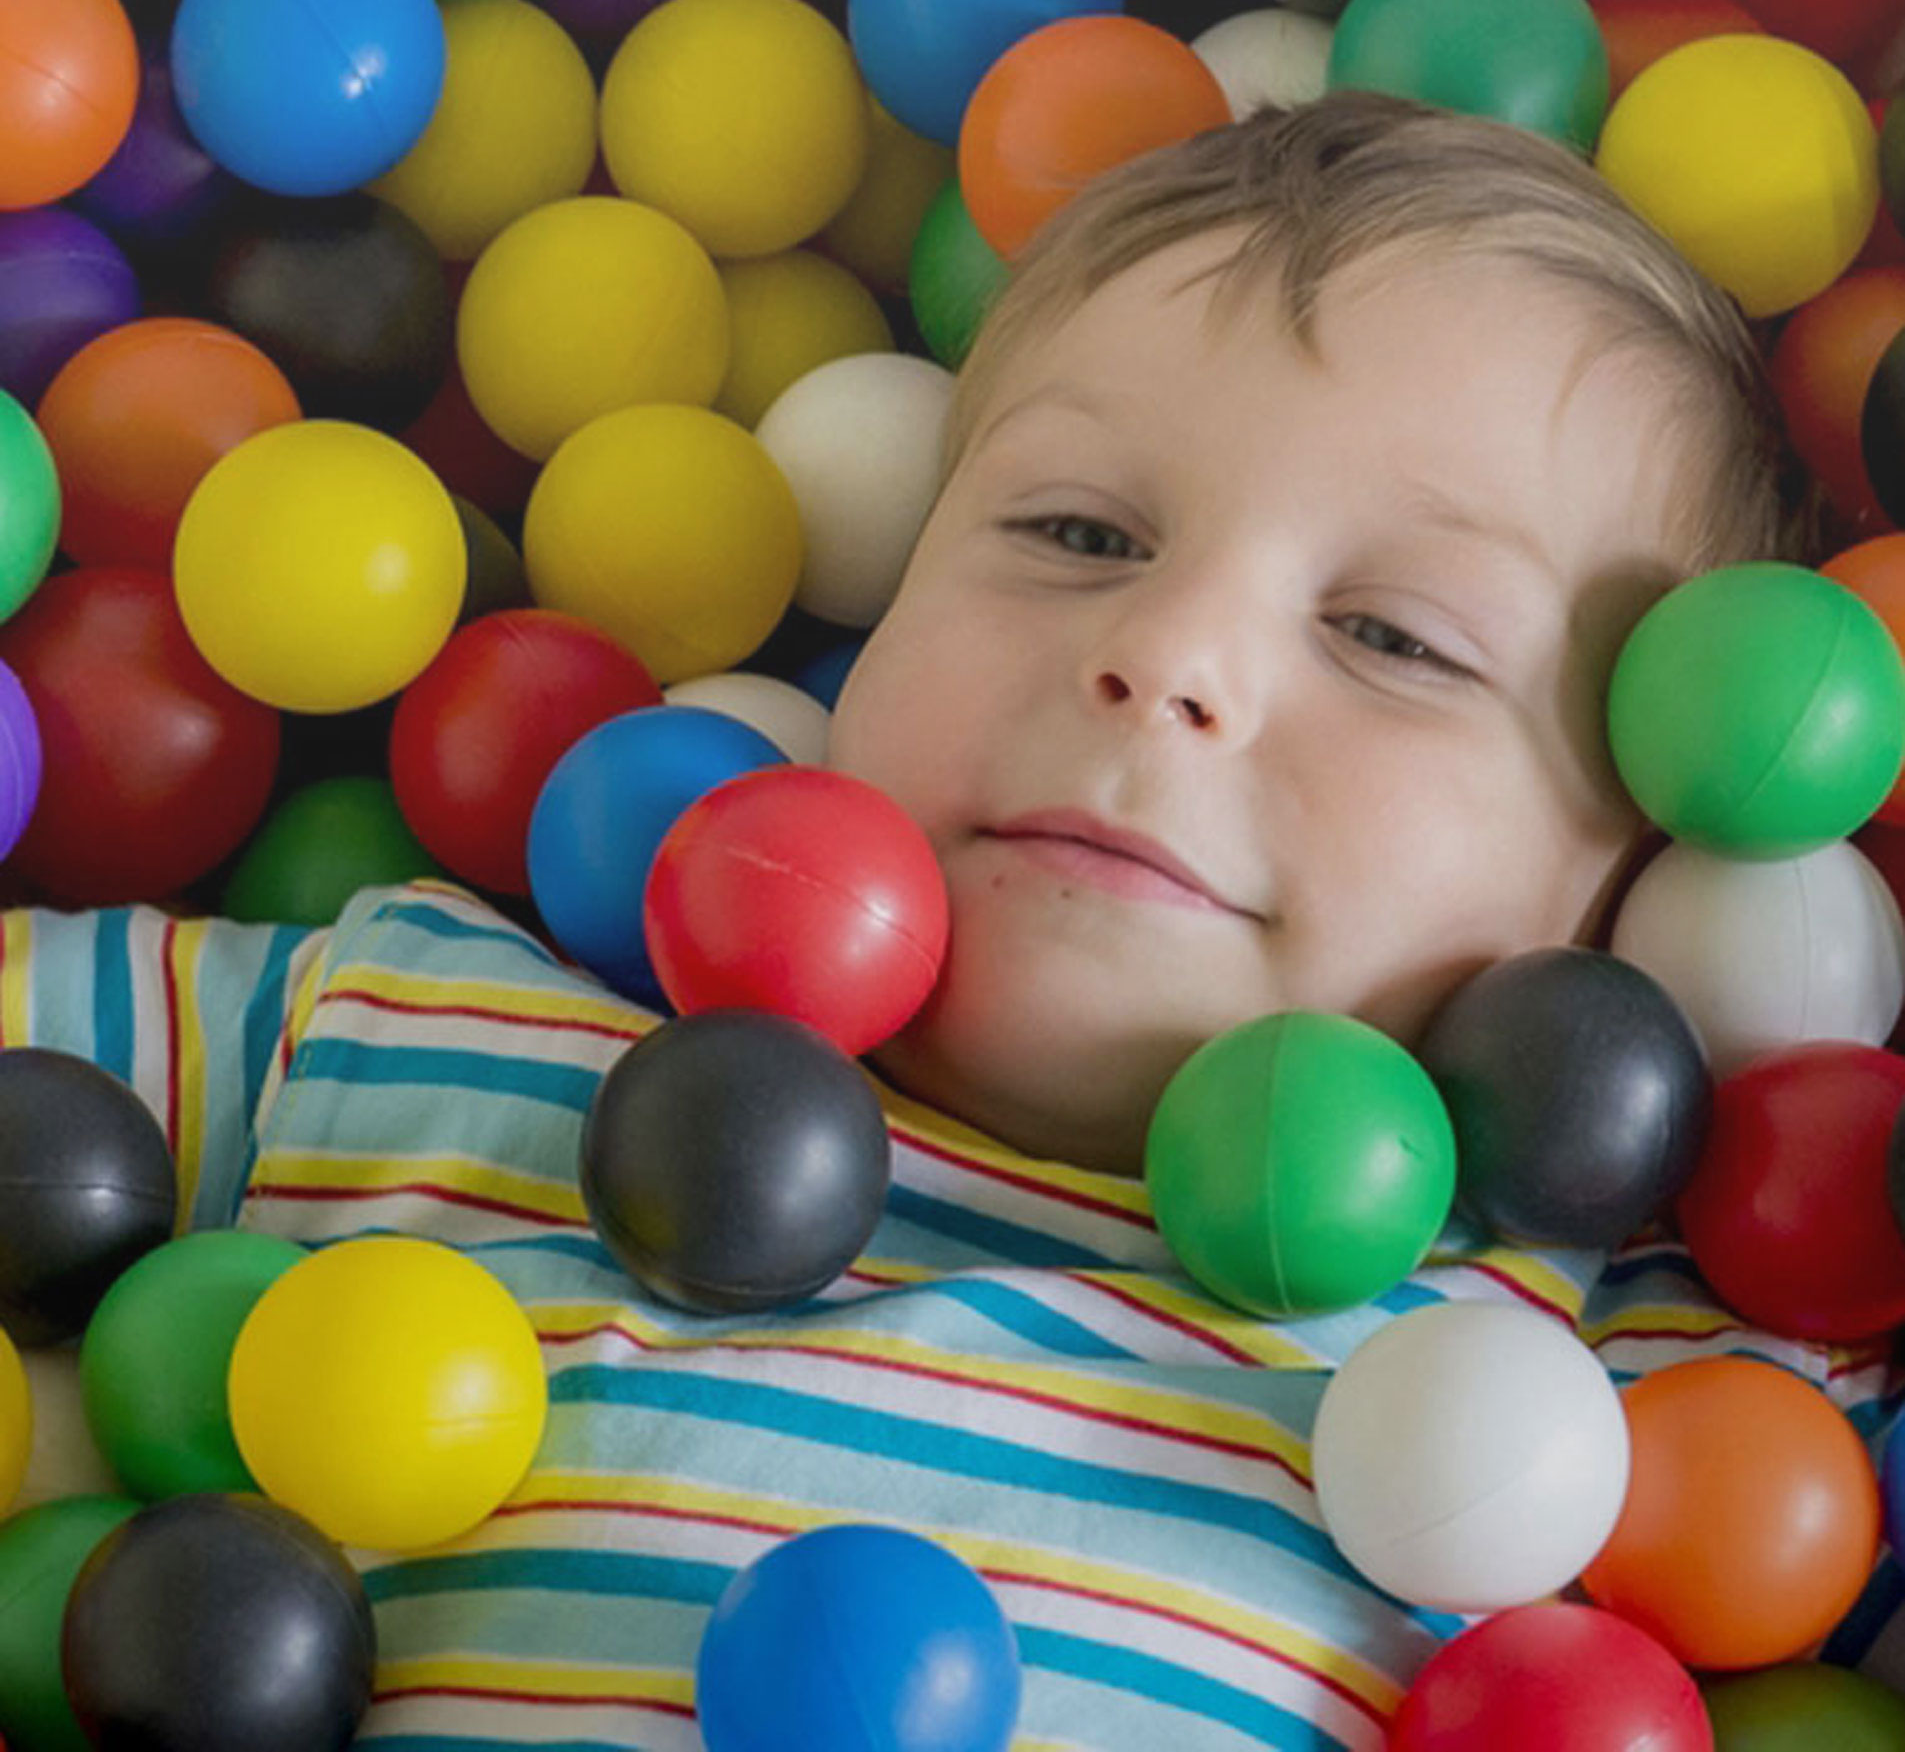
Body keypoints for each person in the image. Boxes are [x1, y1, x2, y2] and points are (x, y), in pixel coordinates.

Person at [4, 94, 1896, 1750]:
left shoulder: (1621, 1397)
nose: (1162, 656)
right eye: (1077, 532)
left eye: (1394, 639)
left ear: (1635, 882)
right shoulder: (420, 1017)